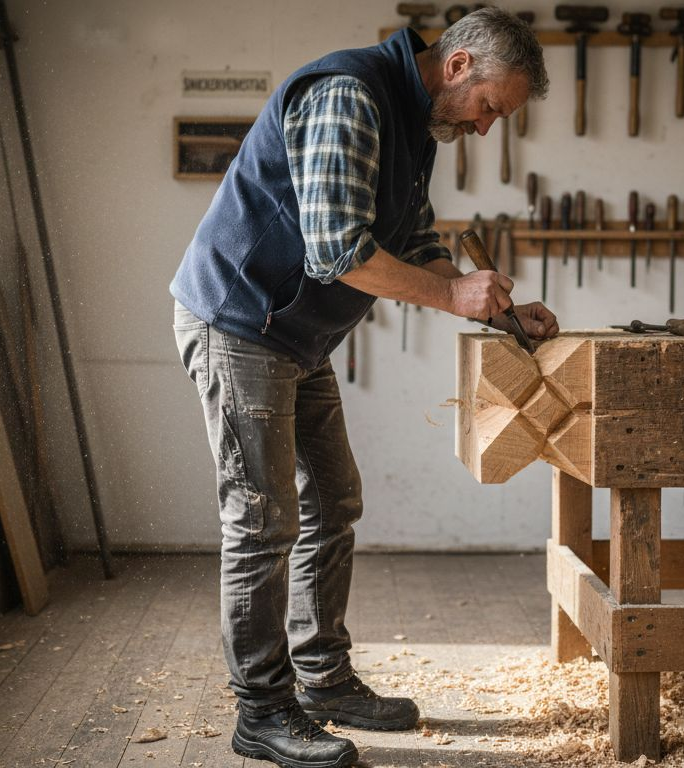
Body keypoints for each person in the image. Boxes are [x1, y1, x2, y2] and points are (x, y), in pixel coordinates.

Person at [170, 8, 553, 768]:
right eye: (488, 108)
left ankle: (322, 679)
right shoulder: (350, 94)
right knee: (262, 520)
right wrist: (451, 299)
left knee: (334, 499)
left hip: (295, 336)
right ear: (457, 66)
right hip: (241, 324)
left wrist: (493, 302)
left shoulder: (414, 120)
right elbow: (339, 251)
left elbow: (410, 241)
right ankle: (262, 711)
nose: (484, 129)